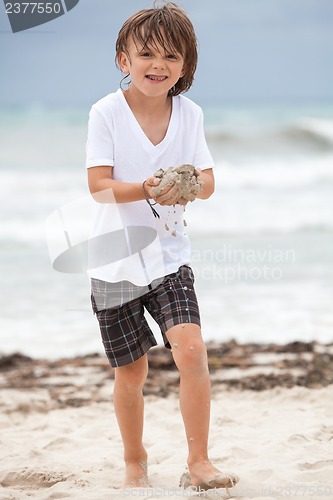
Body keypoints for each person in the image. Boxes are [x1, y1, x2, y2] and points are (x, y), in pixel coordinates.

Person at [85, 2, 239, 492]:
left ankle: (199, 462)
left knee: (191, 351)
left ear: (185, 67)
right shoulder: (106, 112)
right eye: (146, 53)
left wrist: (188, 184)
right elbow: (100, 187)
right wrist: (147, 189)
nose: (158, 64)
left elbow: (209, 181)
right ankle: (135, 460)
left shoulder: (189, 114)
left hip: (171, 256)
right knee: (132, 372)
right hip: (114, 261)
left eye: (172, 56)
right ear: (122, 59)